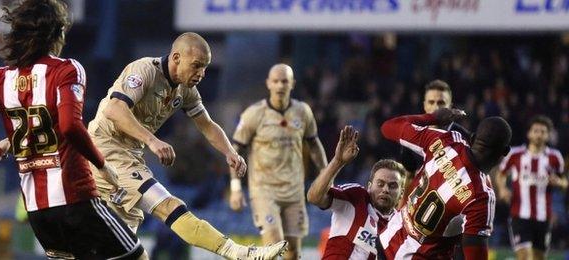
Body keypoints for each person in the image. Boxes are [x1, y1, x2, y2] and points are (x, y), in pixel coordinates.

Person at [0, 1, 145, 258]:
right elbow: (69, 125)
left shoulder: (1, 79)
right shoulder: (67, 69)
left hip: (37, 211)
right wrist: (102, 165)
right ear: (56, 34)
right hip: (75, 199)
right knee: (136, 255)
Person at [87, 32, 287, 259]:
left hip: (129, 156)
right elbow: (114, 109)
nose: (201, 73)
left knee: (127, 252)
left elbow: (208, 126)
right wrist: (152, 140)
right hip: (107, 152)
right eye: (196, 66)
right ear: (176, 58)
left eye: (205, 67)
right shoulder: (144, 71)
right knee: (169, 206)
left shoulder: (186, 91)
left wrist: (230, 152)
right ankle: (238, 252)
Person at [378, 108, 512, 259]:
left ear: (473, 138)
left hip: (385, 243)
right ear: (505, 152)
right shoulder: (481, 197)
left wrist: (432, 117)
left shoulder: (445, 140)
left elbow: (388, 127)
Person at [228, 63, 328, 259]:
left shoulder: (303, 111)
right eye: (276, 81)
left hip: (294, 190)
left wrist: (327, 175)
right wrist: (235, 188)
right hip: (264, 190)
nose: (280, 86)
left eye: (284, 81)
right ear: (268, 84)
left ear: (292, 84)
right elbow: (235, 150)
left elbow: (314, 144)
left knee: (293, 252)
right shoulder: (254, 114)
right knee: (273, 247)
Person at [307, 126, 406, 259]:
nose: (385, 189)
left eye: (392, 186)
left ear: (401, 193)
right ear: (369, 186)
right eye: (380, 184)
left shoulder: (400, 226)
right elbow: (314, 197)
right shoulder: (356, 197)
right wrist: (338, 162)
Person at [495, 115, 566, 260]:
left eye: (543, 131)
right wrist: (502, 189)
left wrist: (559, 183)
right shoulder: (515, 154)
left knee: (538, 258)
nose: (539, 134)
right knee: (524, 256)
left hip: (543, 216)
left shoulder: (555, 157)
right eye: (535, 131)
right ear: (529, 133)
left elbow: (564, 182)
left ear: (548, 134)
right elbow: (500, 174)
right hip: (519, 214)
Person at [399, 79, 454, 207]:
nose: (436, 107)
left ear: (450, 106)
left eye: (441, 103)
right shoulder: (411, 138)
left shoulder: (463, 138)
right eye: (431, 102)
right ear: (424, 106)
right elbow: (408, 179)